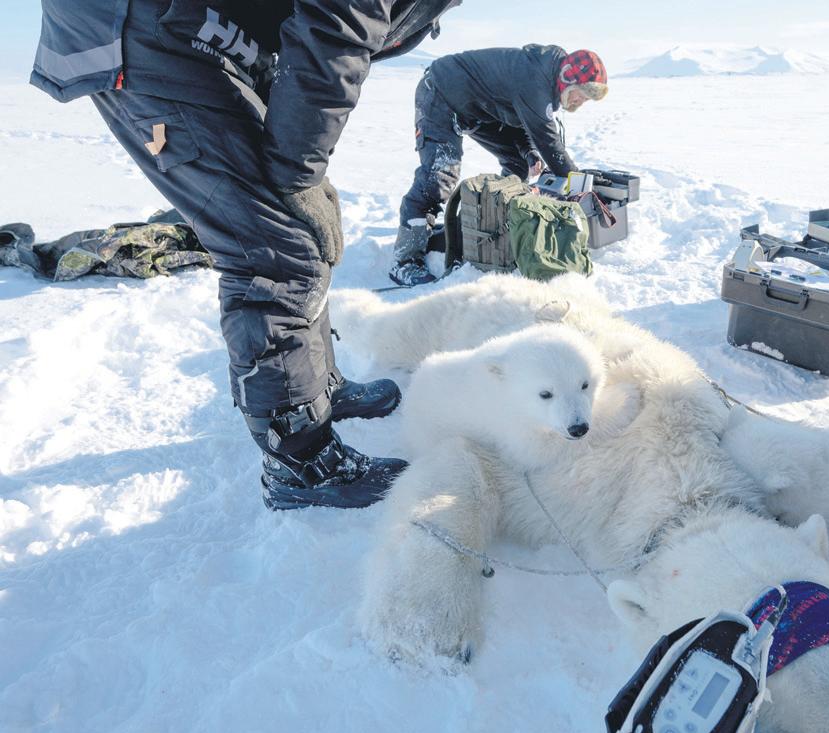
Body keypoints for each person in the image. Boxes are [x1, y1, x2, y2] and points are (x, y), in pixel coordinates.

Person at [30, 0, 466, 510]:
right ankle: (300, 461)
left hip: (210, 29)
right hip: (142, 25)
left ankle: (317, 388)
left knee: (304, 227)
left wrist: (300, 174)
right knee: (277, 249)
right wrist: (297, 176)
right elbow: (337, 24)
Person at [389, 45, 608, 286]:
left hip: (477, 110)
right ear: (567, 77)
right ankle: (405, 260)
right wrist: (578, 183)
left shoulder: (543, 80)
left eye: (587, 98)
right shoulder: (536, 78)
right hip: (441, 95)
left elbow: (522, 119)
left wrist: (528, 152)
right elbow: (549, 142)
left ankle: (494, 225)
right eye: (581, 93)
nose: (581, 101)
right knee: (439, 177)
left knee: (518, 164)